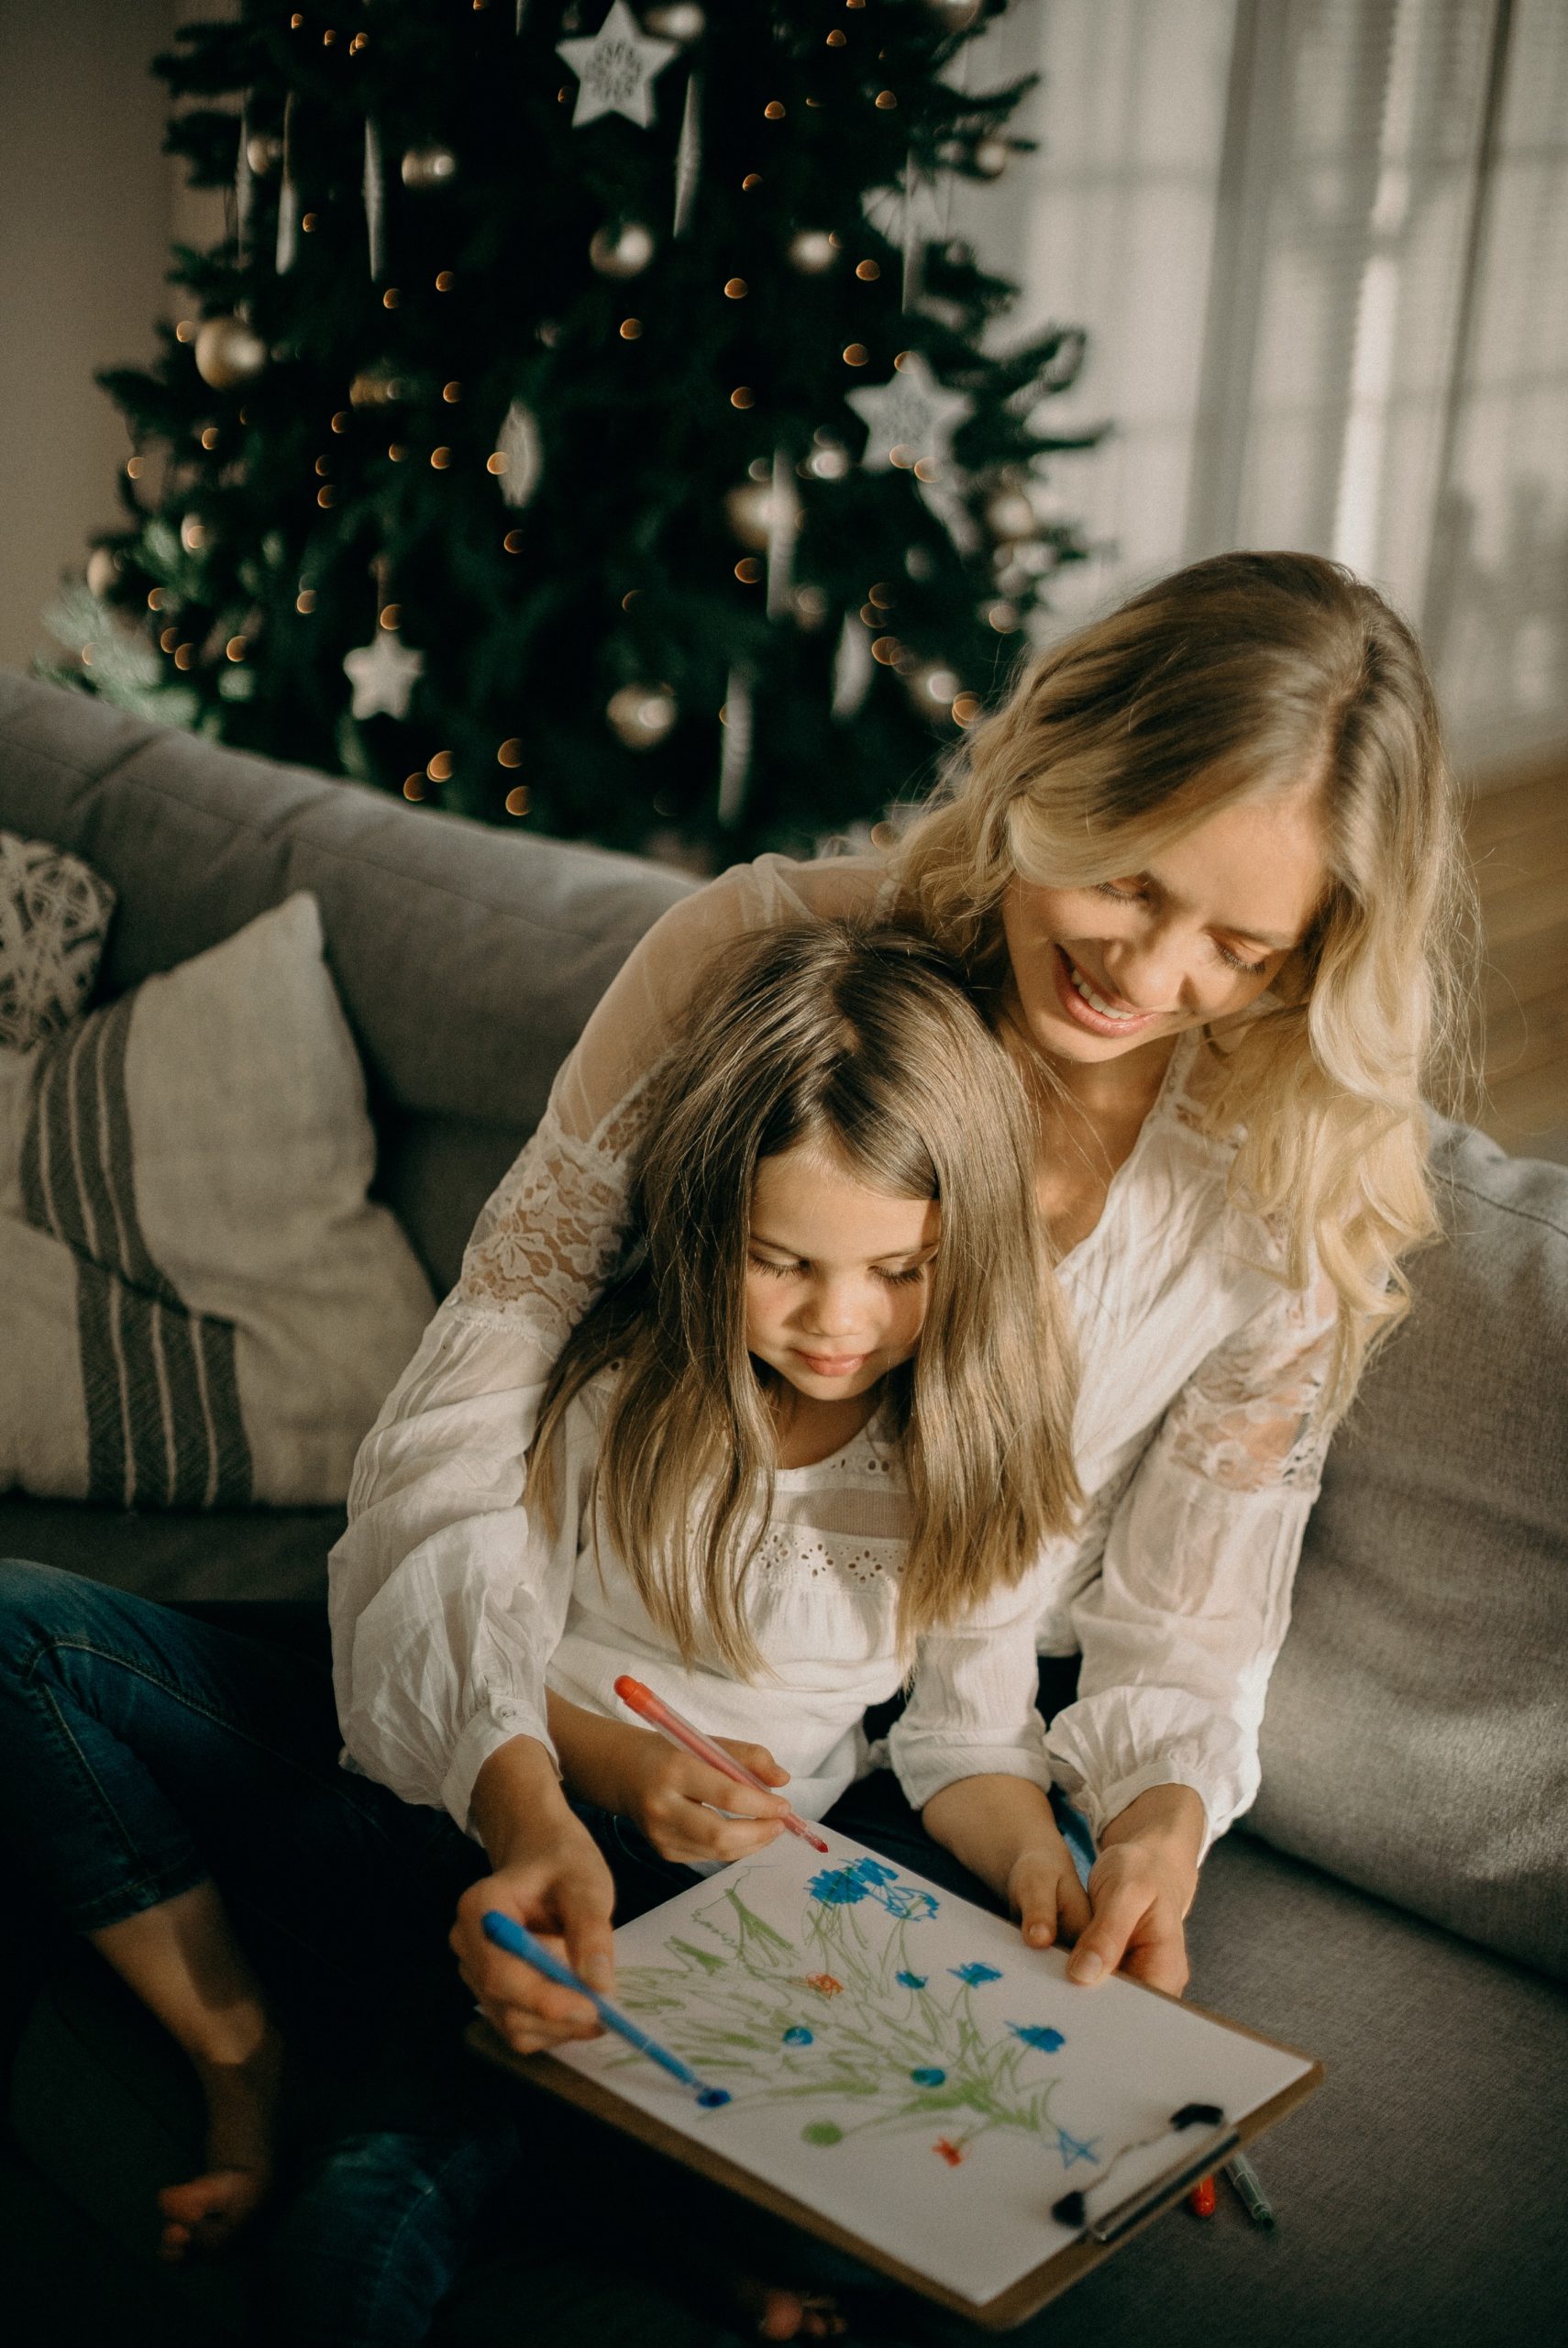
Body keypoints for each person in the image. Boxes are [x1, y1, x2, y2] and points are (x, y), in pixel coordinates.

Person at [339, 550, 1476, 2035]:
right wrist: (516, 1781)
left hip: (947, 1758)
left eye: (1242, 948)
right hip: (591, 1687)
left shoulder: (1281, 1167)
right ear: (1047, 772)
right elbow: (476, 1397)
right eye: (1129, 878)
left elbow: (1192, 1619)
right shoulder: (757, 962)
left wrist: (1159, 1816)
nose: (1147, 970)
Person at [0, 918, 1089, 2346]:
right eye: (782, 1262)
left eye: (900, 1270)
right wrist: (616, 1768)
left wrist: (1034, 1875)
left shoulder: (979, 1447)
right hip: (471, 1793)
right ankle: (240, 2048)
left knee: (353, 2255)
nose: (840, 1322)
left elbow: (964, 1741)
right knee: (24, 1632)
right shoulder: (617, 1383)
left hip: (667, 1929)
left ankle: (576, 2155)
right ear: (709, 1223)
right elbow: (475, 1633)